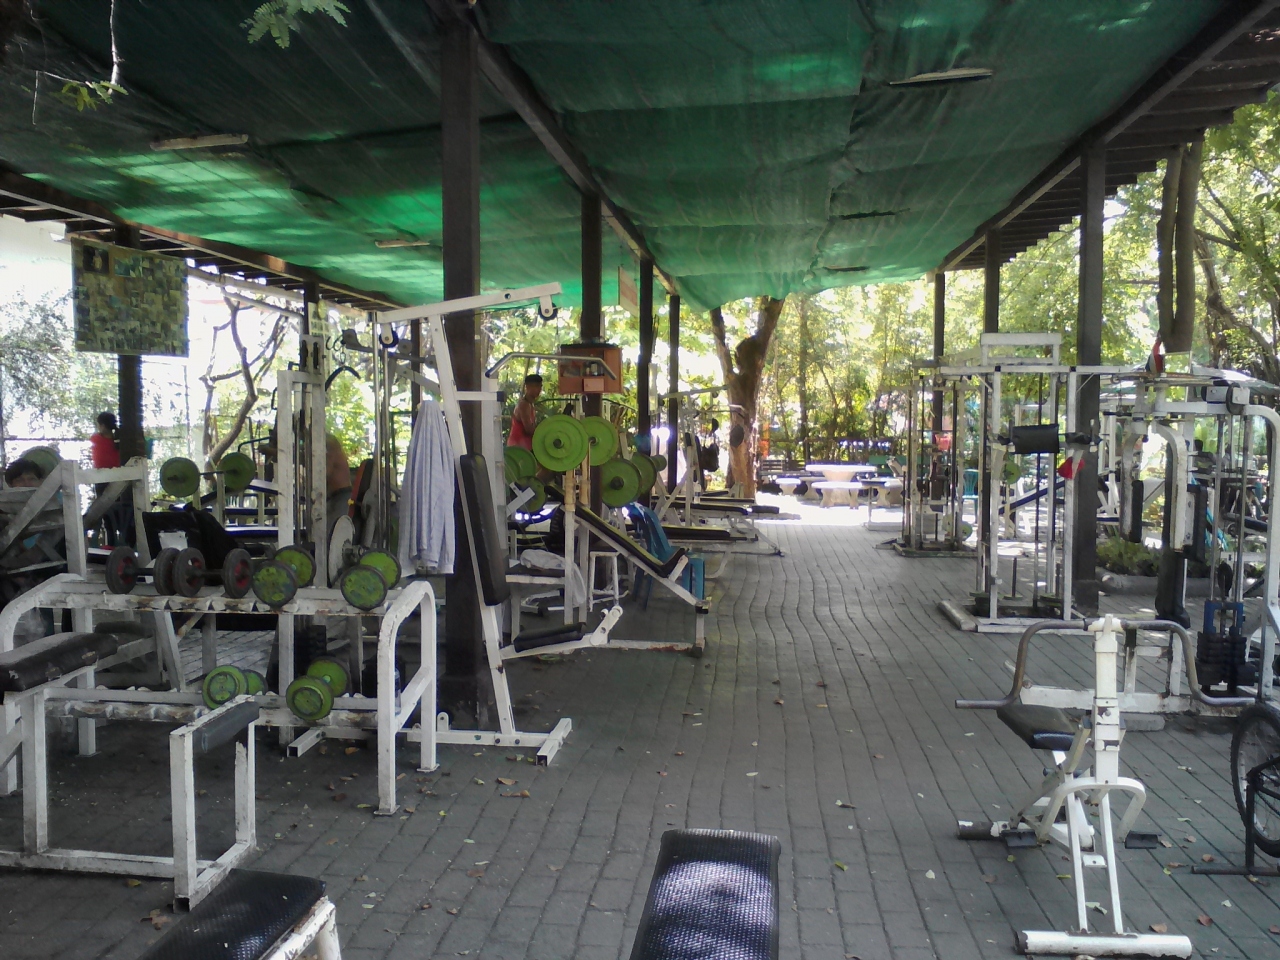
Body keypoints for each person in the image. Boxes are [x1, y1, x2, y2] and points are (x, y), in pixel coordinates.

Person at [507, 374, 542, 451]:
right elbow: (529, 430)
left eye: (540, 386)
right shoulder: (524, 405)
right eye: (536, 386)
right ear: (527, 387)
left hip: (525, 448)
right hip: (517, 449)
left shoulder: (530, 404)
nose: (539, 389)